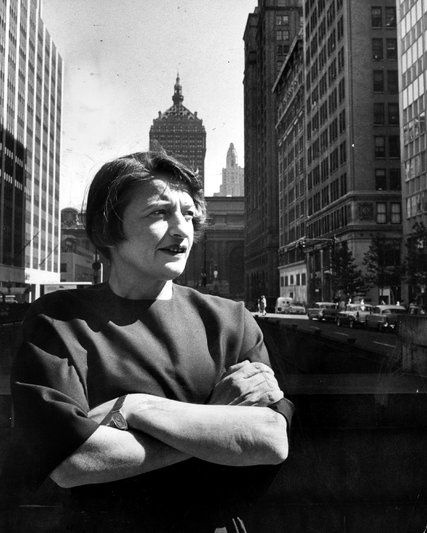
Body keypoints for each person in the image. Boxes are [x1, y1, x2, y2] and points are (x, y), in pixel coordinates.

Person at [5, 152, 294, 532]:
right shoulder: (57, 320)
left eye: (188, 215)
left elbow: (270, 440)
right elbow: (71, 461)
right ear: (108, 228)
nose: (182, 230)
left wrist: (137, 408)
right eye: (160, 213)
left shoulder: (230, 320)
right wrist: (215, 423)